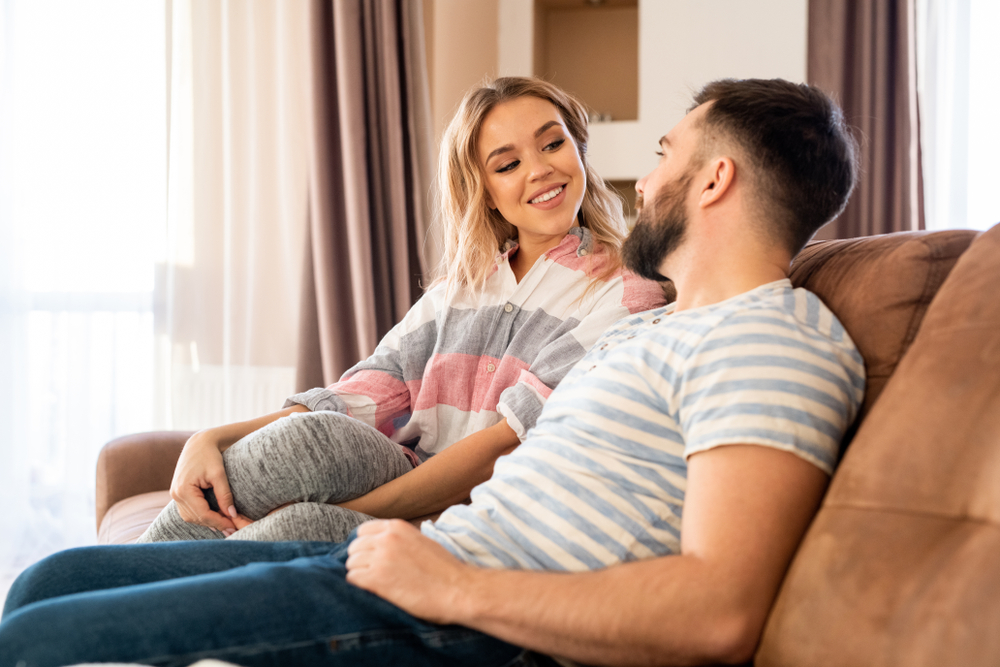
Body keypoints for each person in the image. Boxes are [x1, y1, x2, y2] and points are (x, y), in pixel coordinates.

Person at [0, 77, 864, 667]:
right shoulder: (657, 329)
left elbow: (720, 610)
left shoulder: (768, 338)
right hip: (421, 564)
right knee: (47, 582)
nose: (642, 181)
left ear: (715, 180)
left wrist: (454, 584)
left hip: (463, 611)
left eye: (667, 154)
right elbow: (376, 387)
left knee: (36, 641)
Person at [136, 76, 666, 545]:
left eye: (553, 144)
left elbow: (507, 444)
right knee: (314, 438)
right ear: (485, 192)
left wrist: (350, 513)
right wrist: (212, 437)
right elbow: (364, 391)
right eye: (508, 164)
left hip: (479, 515)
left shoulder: (626, 290)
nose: (541, 169)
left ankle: (119, 592)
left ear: (579, 150)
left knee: (298, 526)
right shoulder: (458, 291)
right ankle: (117, 582)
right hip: (400, 476)